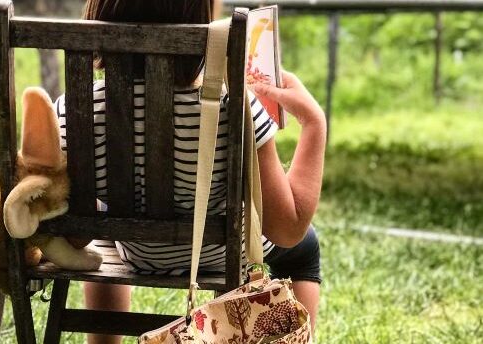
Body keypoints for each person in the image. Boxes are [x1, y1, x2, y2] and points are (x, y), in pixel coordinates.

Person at [52, 1, 326, 343]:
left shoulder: (72, 111)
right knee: (304, 248)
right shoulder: (236, 107)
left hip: (137, 251)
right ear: (202, 25)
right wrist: (314, 124)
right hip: (223, 252)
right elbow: (287, 229)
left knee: (105, 220)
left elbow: (77, 231)